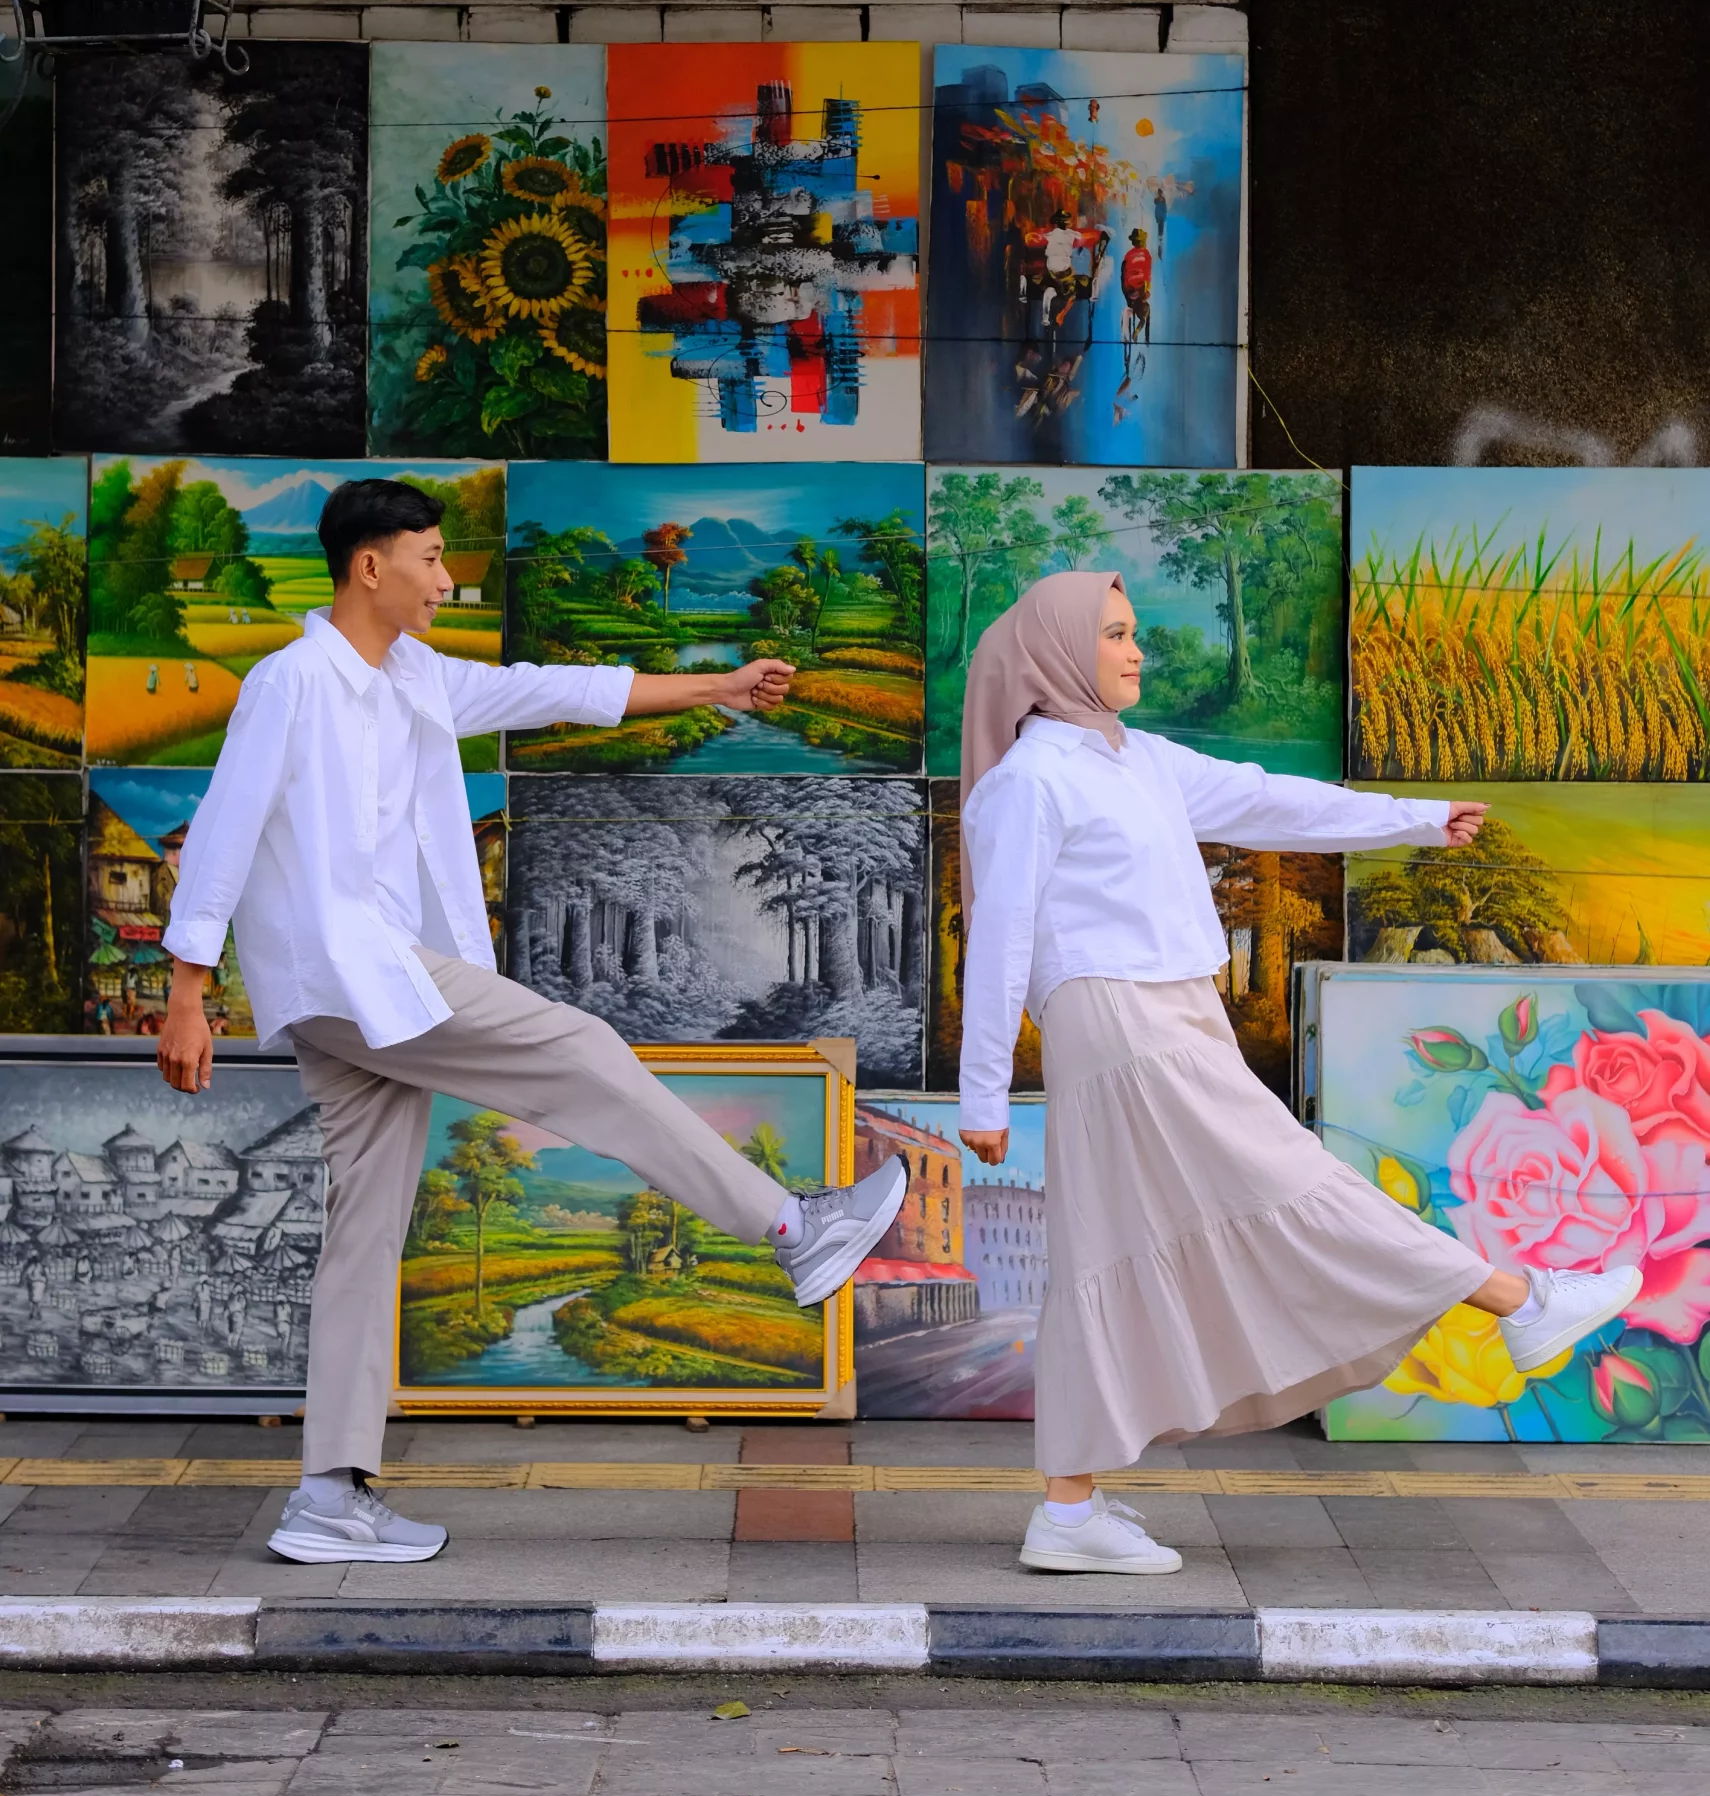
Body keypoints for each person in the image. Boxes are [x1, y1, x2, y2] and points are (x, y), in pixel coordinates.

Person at [156, 477, 906, 1568]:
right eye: (428, 557)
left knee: (365, 1235)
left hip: (370, 990)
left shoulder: (414, 677)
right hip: (353, 974)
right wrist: (187, 989)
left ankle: (328, 1495)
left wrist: (722, 686)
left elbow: (556, 689)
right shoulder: (292, 682)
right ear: (370, 565)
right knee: (580, 1048)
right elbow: (222, 828)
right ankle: (794, 1227)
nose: (443, 579)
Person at [956, 571, 1642, 1579]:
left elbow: (1269, 799)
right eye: (1114, 634)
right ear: (1059, 651)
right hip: (1119, 1024)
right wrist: (982, 1092)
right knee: (1291, 1184)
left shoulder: (1136, 757)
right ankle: (1520, 1300)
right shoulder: (1029, 781)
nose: (1137, 651)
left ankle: (1068, 1508)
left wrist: (1414, 818)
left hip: (1173, 1012)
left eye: (1134, 632)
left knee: (1107, 1250)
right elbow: (1000, 933)